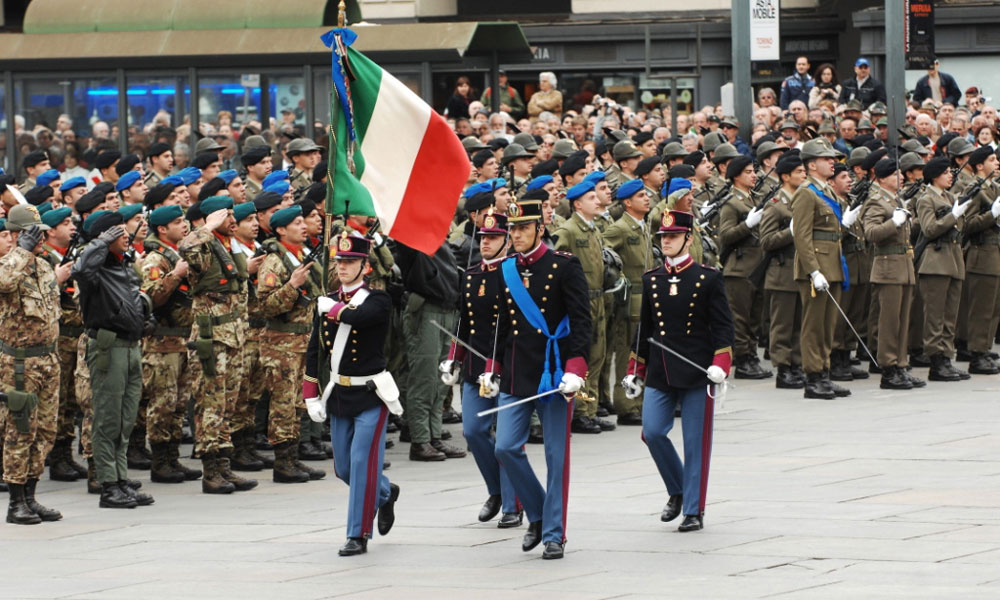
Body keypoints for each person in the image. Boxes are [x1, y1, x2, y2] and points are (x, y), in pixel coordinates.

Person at [491, 197, 591, 560]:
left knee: (555, 456)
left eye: (522, 228)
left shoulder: (564, 266)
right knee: (504, 447)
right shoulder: (506, 270)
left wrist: (576, 369)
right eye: (512, 228)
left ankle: (553, 533)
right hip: (519, 369)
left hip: (555, 371)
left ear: (539, 229)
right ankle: (536, 512)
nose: (515, 235)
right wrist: (493, 367)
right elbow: (501, 324)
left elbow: (582, 320)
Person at [623, 209, 734, 532]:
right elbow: (645, 329)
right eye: (663, 237)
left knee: (695, 441)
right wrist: (635, 369)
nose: (666, 242)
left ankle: (694, 510)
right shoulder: (652, 278)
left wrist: (720, 364)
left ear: (688, 238)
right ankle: (678, 489)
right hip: (661, 369)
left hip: (698, 370)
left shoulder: (707, 277)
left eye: (672, 236)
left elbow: (724, 328)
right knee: (653, 432)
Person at [303, 232, 400, 556]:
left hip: (372, 395)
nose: (343, 267)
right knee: (343, 468)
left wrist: (331, 309)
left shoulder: (378, 299)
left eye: (351, 262)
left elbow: (361, 319)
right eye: (341, 261)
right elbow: (314, 351)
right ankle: (385, 492)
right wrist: (310, 394)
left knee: (361, 463)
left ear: (365, 267)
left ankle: (357, 534)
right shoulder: (328, 300)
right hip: (341, 394)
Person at [439, 209, 523, 527]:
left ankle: (514, 504)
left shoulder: (515, 273)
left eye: (494, 238)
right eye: (484, 237)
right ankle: (497, 490)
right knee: (473, 430)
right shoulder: (472, 274)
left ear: (506, 241)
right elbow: (465, 322)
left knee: (507, 438)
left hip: (509, 366)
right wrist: (454, 358)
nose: (486, 243)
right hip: (477, 366)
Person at [73, 211, 155, 509]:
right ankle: (108, 485)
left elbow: (136, 297)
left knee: (126, 418)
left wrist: (147, 319)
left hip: (132, 346)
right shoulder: (96, 270)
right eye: (118, 233)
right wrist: (100, 242)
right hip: (109, 346)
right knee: (108, 418)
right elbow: (81, 270)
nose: (126, 236)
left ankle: (121, 479)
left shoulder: (124, 265)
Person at [179, 196, 258, 494]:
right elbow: (186, 247)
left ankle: (225, 465)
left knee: (228, 403)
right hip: (212, 339)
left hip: (235, 335)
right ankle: (210, 470)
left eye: (233, 214)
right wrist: (207, 226)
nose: (233, 220)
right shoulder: (205, 245)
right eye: (226, 216)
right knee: (210, 403)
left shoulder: (230, 245)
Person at [0, 205, 66, 524]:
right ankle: (15, 502)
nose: (40, 238)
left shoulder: (43, 266)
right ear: (15, 235)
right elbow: (3, 281)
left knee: (45, 431)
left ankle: (31, 494)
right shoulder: (7, 265)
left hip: (48, 359)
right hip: (19, 363)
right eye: (32, 233)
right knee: (19, 429)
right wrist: (21, 250)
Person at [256, 205, 327, 483]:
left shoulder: (300, 255)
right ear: (282, 229)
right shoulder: (274, 261)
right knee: (283, 404)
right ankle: (283, 462)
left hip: (302, 341)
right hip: (281, 343)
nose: (303, 226)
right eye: (297, 223)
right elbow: (265, 306)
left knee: (297, 403)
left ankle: (293, 457)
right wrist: (292, 286)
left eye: (302, 221)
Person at [138, 204, 202, 484]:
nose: (184, 225)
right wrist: (175, 274)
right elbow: (151, 298)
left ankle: (173, 457)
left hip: (184, 341)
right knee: (162, 405)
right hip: (162, 343)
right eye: (178, 222)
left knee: (178, 405)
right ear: (162, 229)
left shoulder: (181, 254)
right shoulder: (155, 260)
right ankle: (161, 461)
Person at [791, 140, 852, 399]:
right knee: (814, 325)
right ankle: (813, 376)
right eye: (827, 159)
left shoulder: (826, 191)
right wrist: (813, 270)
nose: (832, 162)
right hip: (816, 266)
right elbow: (802, 236)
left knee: (828, 325)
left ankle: (824, 371)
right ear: (812, 164)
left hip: (833, 265)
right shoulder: (806, 192)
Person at [554, 181, 614, 434]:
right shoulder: (568, 231)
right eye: (591, 198)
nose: (598, 201)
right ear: (578, 204)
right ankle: (579, 411)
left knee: (598, 353)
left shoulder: (594, 230)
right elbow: (554, 263)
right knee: (584, 352)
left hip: (599, 297)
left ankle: (590, 409)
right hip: (581, 299)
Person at [861, 159, 924, 390]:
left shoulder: (896, 200)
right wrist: (894, 222)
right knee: (889, 322)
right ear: (883, 177)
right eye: (895, 173)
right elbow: (871, 233)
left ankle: (900, 364)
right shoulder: (877, 202)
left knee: (902, 320)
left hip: (903, 267)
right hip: (888, 268)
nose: (900, 177)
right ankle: (888, 369)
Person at [37, 207, 88, 483]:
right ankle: (57, 458)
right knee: (59, 400)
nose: (71, 227)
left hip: (76, 336)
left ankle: (65, 455)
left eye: (71, 222)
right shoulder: (44, 260)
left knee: (71, 401)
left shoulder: (70, 257)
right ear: (50, 232)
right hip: (60, 338)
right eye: (64, 223)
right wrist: (57, 280)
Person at [602, 179, 653, 425]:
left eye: (646, 194)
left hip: (646, 298)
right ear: (627, 202)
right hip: (628, 301)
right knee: (626, 354)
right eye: (641, 195)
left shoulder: (643, 227)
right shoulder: (619, 228)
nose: (647, 198)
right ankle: (625, 403)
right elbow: (604, 256)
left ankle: (639, 400)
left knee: (642, 353)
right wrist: (618, 280)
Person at [915, 156, 969, 381]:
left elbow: (959, 228)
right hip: (935, 261)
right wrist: (952, 215)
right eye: (946, 172)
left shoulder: (949, 196)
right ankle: (936, 362)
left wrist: (958, 215)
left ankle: (947, 357)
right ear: (935, 175)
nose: (951, 176)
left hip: (954, 259)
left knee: (950, 315)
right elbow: (929, 229)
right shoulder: (926, 199)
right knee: (935, 316)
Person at [718, 155, 770, 379]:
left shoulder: (752, 198)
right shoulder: (731, 202)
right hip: (739, 268)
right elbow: (726, 235)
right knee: (740, 317)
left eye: (753, 171)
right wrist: (747, 225)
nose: (754, 175)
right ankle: (743, 359)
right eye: (748, 172)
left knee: (755, 316)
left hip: (756, 266)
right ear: (736, 175)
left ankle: (751, 354)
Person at [759, 155, 805, 389]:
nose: (803, 174)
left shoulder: (802, 200)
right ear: (785, 176)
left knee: (799, 322)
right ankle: (783, 368)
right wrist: (791, 232)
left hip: (800, 270)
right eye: (798, 171)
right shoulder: (776, 205)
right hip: (782, 271)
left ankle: (797, 363)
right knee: (782, 324)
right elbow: (766, 241)